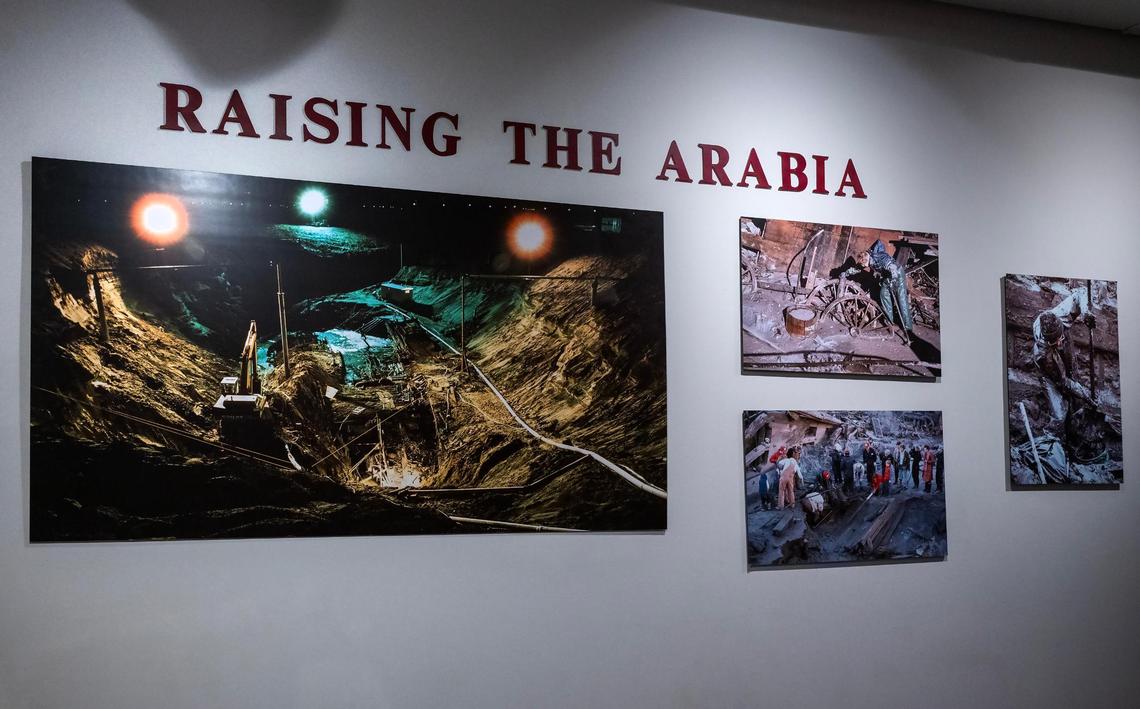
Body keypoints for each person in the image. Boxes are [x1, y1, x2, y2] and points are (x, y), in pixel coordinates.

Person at [845, 239, 914, 336]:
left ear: (867, 259)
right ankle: (890, 321)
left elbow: (893, 269)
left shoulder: (880, 258)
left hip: (897, 274)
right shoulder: (866, 258)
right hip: (887, 276)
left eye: (864, 264)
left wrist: (893, 282)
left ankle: (908, 329)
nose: (865, 266)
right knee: (884, 294)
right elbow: (858, 268)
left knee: (901, 300)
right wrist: (846, 273)